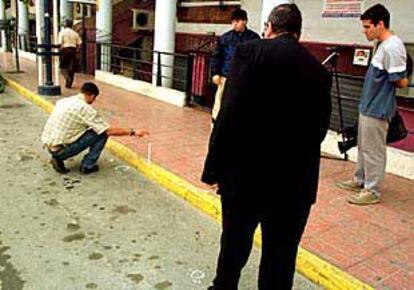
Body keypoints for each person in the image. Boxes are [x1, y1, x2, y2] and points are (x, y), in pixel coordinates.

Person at [202, 4, 332, 290]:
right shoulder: (319, 72)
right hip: (294, 184)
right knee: (281, 255)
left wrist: (213, 170)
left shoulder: (249, 52)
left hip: (245, 177)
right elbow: (319, 130)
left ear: (270, 28)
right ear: (298, 33)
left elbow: (229, 114)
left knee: (235, 242)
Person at [336, 4, 409, 205]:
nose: (365, 31)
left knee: (374, 150)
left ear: (380, 24)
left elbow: (400, 81)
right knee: (363, 147)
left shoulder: (393, 47)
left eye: (368, 27)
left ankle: (372, 189)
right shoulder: (383, 45)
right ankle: (360, 179)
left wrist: (403, 78)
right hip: (368, 106)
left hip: (378, 108)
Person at [41, 82, 149, 174]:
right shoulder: (86, 109)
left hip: (49, 145)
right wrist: (133, 132)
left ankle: (58, 157)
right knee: (101, 134)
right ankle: (87, 166)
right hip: (61, 149)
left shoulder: (65, 101)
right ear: (92, 96)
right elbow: (108, 130)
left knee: (93, 129)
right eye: (95, 98)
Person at [210, 8, 260, 126]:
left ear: (245, 21)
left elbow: (256, 59)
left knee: (241, 102)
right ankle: (215, 123)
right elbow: (217, 56)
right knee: (220, 101)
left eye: (237, 21)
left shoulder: (254, 38)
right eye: (233, 22)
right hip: (225, 76)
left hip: (245, 78)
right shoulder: (225, 38)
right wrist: (215, 73)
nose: (234, 24)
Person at [58, 19, 81, 88]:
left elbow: (60, 43)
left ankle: (67, 77)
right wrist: (77, 50)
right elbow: (79, 43)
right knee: (71, 67)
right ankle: (69, 84)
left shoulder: (62, 32)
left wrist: (60, 51)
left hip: (65, 49)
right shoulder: (75, 33)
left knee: (62, 67)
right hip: (73, 50)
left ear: (65, 25)